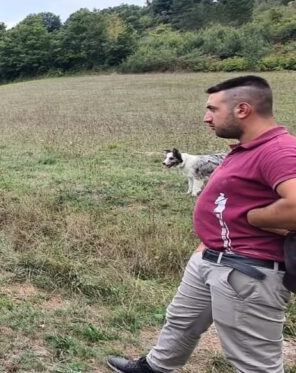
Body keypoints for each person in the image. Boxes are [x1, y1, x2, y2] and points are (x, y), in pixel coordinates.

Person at [108, 75, 296, 373]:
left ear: (243, 109)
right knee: (181, 322)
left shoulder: (279, 151)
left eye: (213, 109)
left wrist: (249, 218)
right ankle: (154, 368)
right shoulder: (247, 148)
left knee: (254, 361)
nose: (207, 118)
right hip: (213, 257)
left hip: (247, 271)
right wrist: (207, 245)